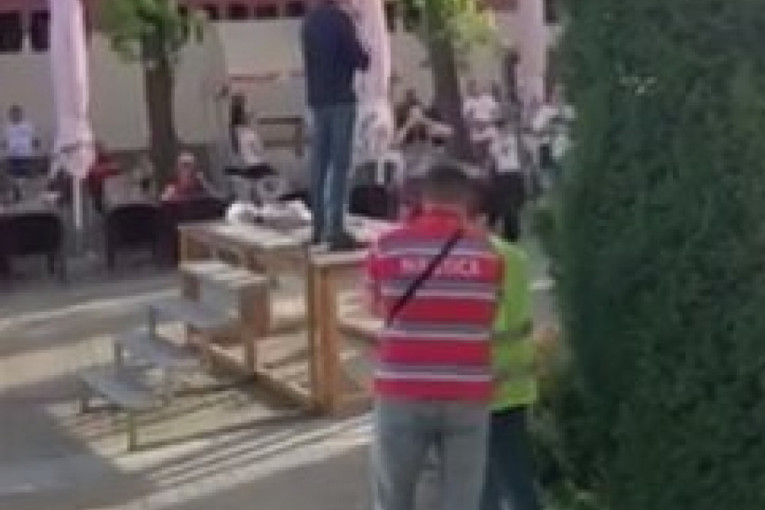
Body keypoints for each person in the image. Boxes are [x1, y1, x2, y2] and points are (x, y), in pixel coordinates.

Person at [366, 163, 503, 510]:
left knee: (393, 497)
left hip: (402, 387)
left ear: (423, 199)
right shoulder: (489, 254)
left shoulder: (387, 246)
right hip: (467, 390)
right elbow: (488, 315)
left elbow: (375, 307)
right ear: (467, 202)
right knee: (462, 499)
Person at [479, 222, 541, 510]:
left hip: (485, 386)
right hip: (514, 386)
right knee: (516, 480)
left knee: (485, 485)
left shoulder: (479, 258)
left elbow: (494, 325)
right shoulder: (516, 257)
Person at [302, 0, 370, 250]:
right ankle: (335, 228)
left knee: (319, 165)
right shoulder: (341, 20)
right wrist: (360, 31)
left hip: (317, 98)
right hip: (341, 97)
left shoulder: (309, 22)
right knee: (339, 165)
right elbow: (360, 59)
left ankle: (318, 227)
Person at [487, 119, 526, 242]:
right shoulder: (494, 144)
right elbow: (494, 157)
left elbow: (519, 153)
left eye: (504, 128)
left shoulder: (513, 139)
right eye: (500, 129)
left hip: (514, 172)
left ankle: (514, 231)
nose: (502, 131)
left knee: (514, 204)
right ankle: (509, 232)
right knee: (507, 205)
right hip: (503, 175)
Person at [2, 105, 39, 194]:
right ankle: (17, 188)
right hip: (12, 155)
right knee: (13, 174)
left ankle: (19, 188)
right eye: (12, 114)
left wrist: (35, 144)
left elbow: (34, 138)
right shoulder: (8, 128)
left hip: (25, 154)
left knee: (24, 173)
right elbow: (5, 140)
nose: (14, 116)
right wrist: (4, 146)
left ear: (21, 114)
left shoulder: (27, 126)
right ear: (10, 116)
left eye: (17, 114)